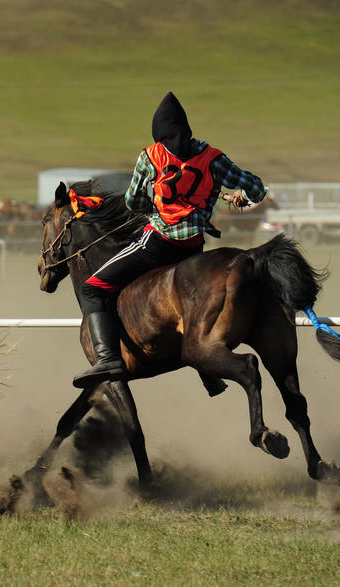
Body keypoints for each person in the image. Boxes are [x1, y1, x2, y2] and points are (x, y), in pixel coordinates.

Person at [73, 91, 266, 389]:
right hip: (193, 247)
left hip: (158, 244)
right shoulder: (212, 158)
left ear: (158, 133)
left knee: (92, 289)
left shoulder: (151, 156)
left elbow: (133, 202)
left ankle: (108, 358)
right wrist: (240, 195)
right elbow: (257, 188)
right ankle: (209, 373)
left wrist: (155, 204)